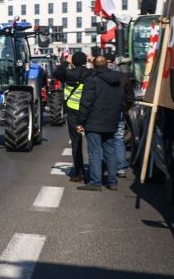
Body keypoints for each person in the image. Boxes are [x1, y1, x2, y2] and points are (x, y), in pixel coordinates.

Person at [76, 56, 124, 191]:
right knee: (110, 151)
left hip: (94, 121)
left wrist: (81, 121)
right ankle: (112, 181)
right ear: (107, 64)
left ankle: (95, 182)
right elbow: (122, 99)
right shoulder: (117, 79)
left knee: (95, 152)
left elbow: (86, 102)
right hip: (111, 120)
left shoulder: (92, 80)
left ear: (94, 65)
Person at [54, 52, 92, 182]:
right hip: (89, 111)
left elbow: (57, 73)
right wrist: (92, 60)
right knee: (94, 142)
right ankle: (95, 171)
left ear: (73, 62)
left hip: (73, 111)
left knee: (76, 143)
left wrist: (66, 62)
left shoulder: (69, 74)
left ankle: (79, 172)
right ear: (86, 61)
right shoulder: (91, 73)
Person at [112, 59, 135, 177]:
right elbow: (130, 98)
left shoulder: (96, 76)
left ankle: (106, 166)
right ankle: (121, 168)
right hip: (118, 113)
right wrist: (123, 108)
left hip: (101, 115)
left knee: (103, 141)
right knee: (118, 139)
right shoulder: (124, 78)